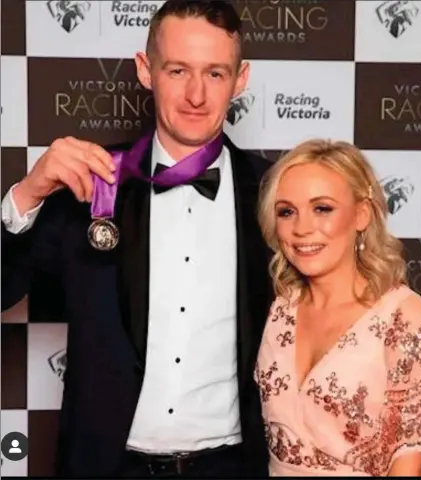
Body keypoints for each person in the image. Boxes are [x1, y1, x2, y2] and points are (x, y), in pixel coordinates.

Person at [1, 1, 273, 477]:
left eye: (214, 73)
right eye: (177, 70)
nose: (195, 94)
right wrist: (27, 195)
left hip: (232, 468)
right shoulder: (90, 182)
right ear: (145, 70)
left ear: (241, 78)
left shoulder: (276, 195)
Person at [255, 139, 421, 476]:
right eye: (286, 211)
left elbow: (409, 467)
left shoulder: (403, 318)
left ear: (362, 214)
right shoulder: (281, 310)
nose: (302, 228)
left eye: (323, 208)